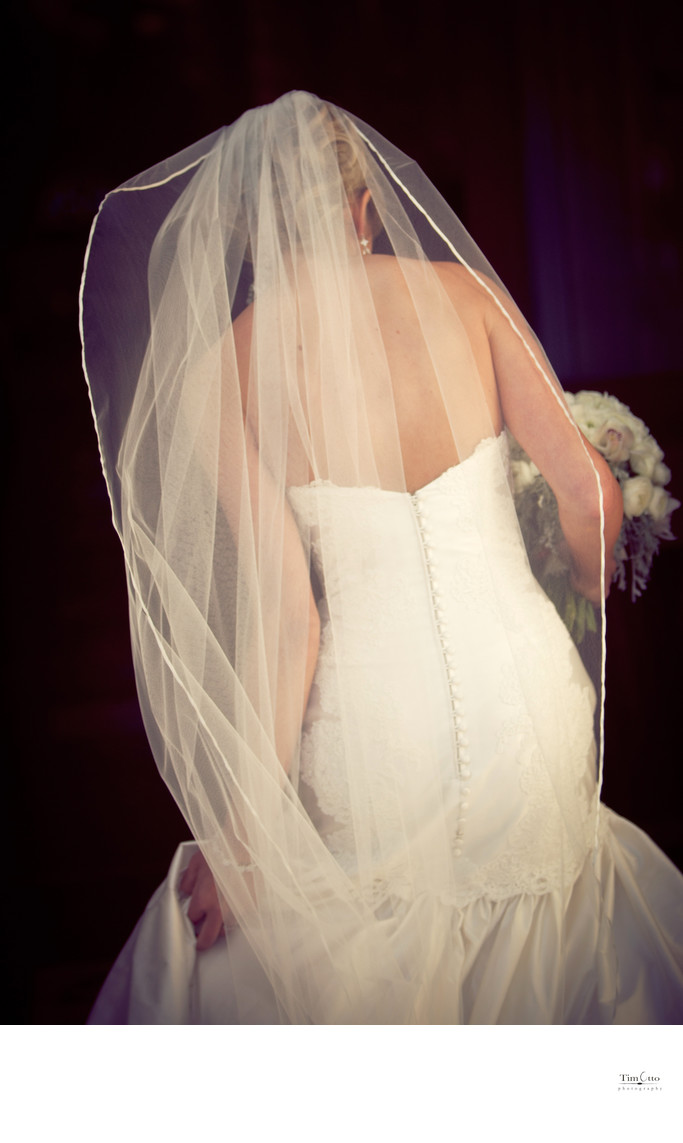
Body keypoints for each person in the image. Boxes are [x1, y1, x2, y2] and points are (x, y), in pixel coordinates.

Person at [81, 91, 683, 1023]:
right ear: (366, 206)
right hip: (522, 709)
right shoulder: (463, 297)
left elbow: (292, 616)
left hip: (376, 750)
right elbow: (593, 496)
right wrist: (576, 576)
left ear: (249, 228)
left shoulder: (222, 373)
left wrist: (245, 840)